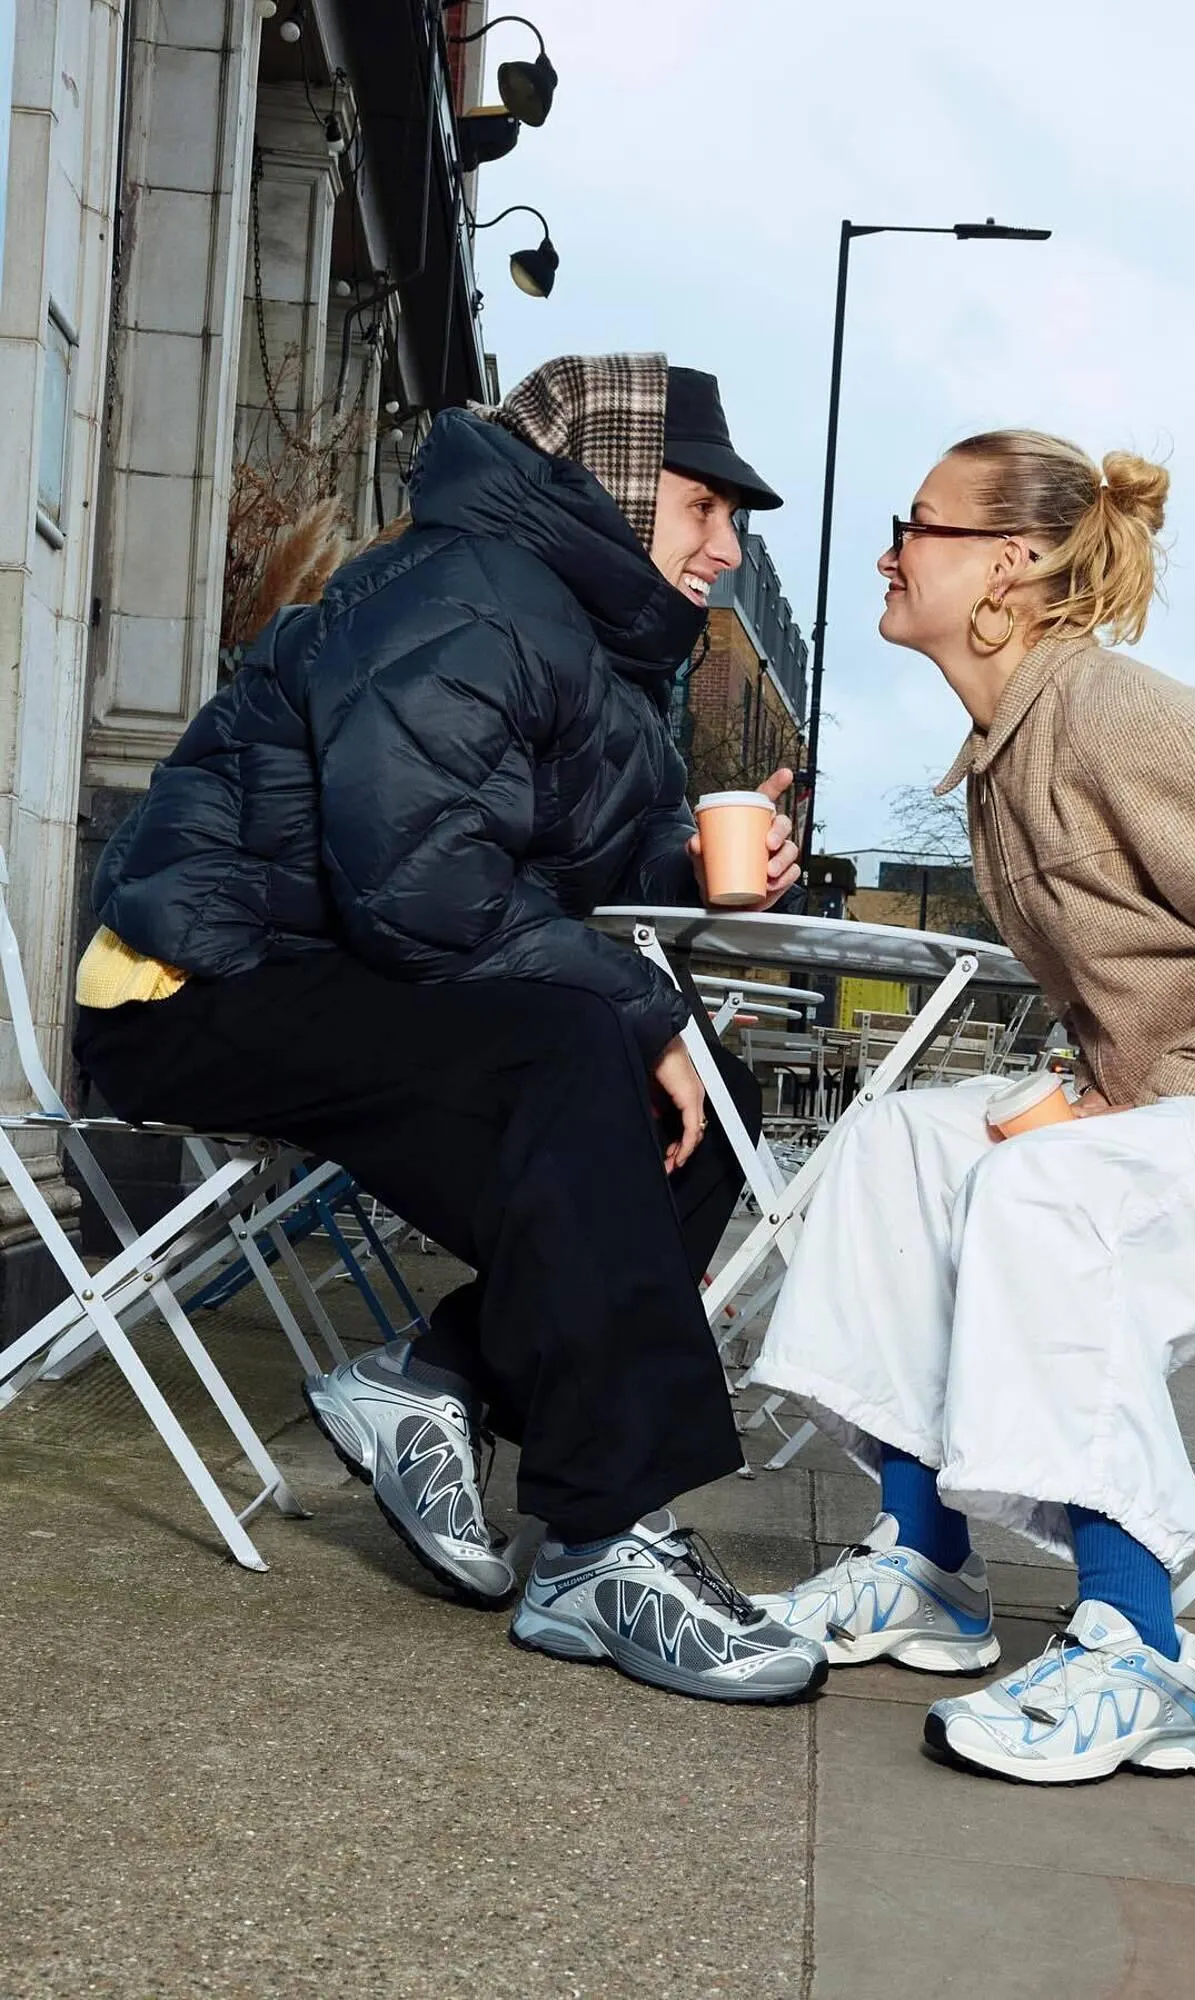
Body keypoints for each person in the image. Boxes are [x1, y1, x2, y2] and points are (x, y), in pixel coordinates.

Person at [73, 353, 827, 1706]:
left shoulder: (592, 643)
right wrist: (638, 1008)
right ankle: (603, 1541)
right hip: (197, 985)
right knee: (580, 1049)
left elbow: (558, 856)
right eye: (702, 507)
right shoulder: (461, 593)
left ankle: (435, 1376)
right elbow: (421, 887)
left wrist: (698, 857)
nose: (725, 547)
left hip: (343, 978)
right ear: (607, 485)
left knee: (703, 1096)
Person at [748, 427, 1195, 1780]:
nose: (890, 554)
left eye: (917, 525)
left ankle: (1141, 1654)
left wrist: (1123, 1112)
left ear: (1008, 564)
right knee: (902, 1140)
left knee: (1054, 1184)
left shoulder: (1123, 720)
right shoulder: (1009, 743)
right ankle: (927, 1564)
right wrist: (1109, 1094)